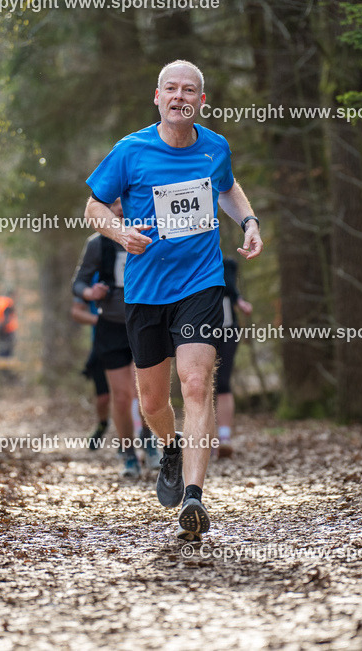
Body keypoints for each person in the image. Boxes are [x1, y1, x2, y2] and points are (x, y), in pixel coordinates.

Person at [84, 60, 263, 541]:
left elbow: (228, 188)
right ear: (157, 96)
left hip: (201, 283)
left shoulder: (214, 148)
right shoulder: (130, 151)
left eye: (190, 90)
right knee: (153, 402)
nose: (180, 96)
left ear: (201, 101)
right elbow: (93, 206)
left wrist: (248, 222)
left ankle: (194, 497)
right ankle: (169, 445)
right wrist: (121, 233)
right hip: (145, 291)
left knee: (197, 382)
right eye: (171, 88)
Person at [72, 199, 160, 477]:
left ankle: (151, 443)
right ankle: (129, 455)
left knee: (147, 394)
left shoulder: (150, 233)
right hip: (111, 325)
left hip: (145, 321)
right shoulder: (97, 243)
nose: (120, 207)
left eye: (125, 201)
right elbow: (79, 283)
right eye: (114, 203)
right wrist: (90, 294)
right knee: (121, 398)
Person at [213, 257, 252, 459]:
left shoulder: (227, 264)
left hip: (227, 330)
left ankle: (224, 438)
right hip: (195, 331)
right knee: (200, 384)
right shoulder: (186, 258)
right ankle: (206, 439)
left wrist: (241, 302)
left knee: (223, 382)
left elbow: (232, 289)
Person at [71, 299, 111, 450]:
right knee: (103, 398)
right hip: (100, 347)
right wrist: (103, 321)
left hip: (130, 344)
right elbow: (76, 311)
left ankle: (135, 441)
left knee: (128, 396)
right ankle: (102, 425)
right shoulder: (93, 278)